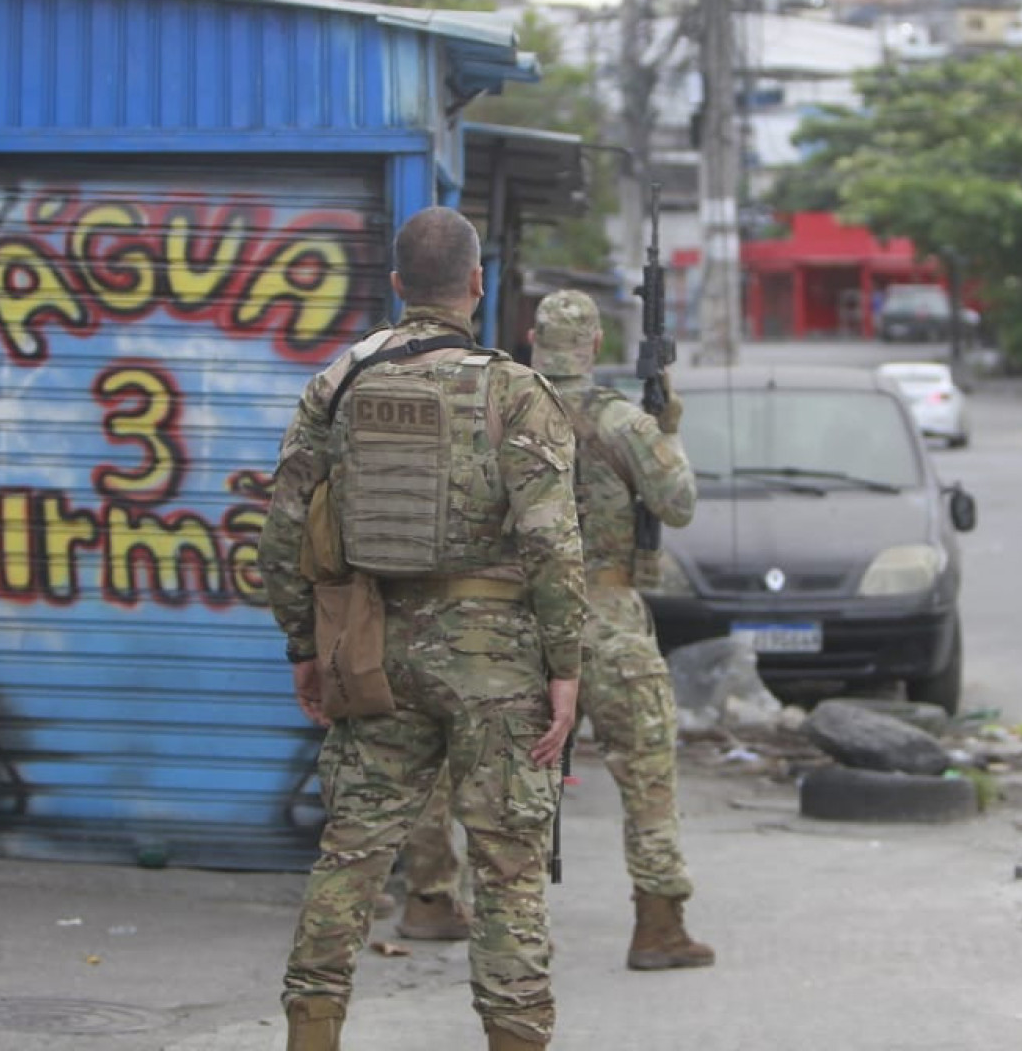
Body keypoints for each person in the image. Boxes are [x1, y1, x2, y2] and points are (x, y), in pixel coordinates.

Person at [257, 206, 590, 1051]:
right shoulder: (514, 390)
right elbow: (553, 542)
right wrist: (565, 667)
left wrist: (304, 646)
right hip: (498, 665)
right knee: (509, 865)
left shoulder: (339, 382)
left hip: (374, 651)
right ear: (477, 284)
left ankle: (312, 1032)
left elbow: (284, 527)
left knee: (352, 853)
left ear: (399, 285)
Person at [396, 288, 715, 972]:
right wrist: (669, 427)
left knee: (491, 777)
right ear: (594, 346)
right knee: (645, 766)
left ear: (533, 340)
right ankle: (659, 924)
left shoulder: (497, 409)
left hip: (511, 618)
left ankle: (446, 905)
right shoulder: (621, 421)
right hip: (605, 617)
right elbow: (679, 503)